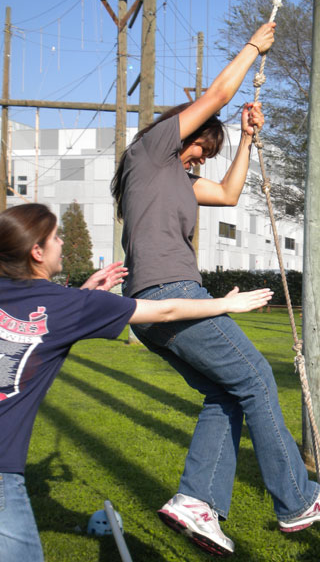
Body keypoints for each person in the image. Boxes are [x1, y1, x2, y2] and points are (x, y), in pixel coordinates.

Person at [112, 21, 320, 557]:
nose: (202, 159)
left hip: (154, 304)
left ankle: (196, 502)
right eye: (203, 147)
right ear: (183, 132)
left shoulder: (175, 178)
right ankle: (297, 500)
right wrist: (252, 48)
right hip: (171, 292)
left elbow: (226, 194)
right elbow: (219, 95)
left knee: (228, 392)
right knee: (257, 376)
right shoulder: (150, 152)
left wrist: (246, 139)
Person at [0, 203, 275, 562]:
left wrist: (85, 294)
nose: (63, 242)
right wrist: (225, 304)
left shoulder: (63, 302)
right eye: (55, 237)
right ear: (37, 252)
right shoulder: (68, 304)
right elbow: (165, 310)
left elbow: (44, 322)